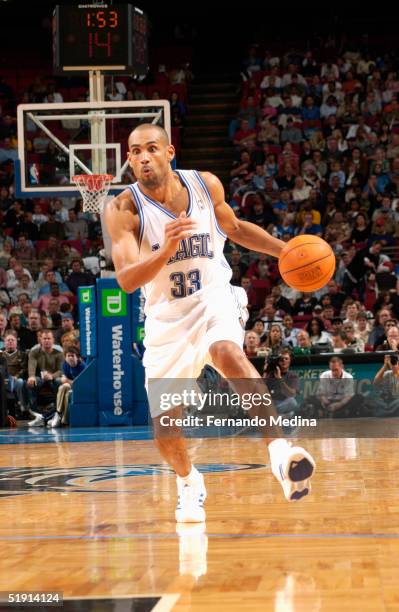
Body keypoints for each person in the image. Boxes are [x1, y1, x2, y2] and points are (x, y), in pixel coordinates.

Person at [105, 123, 315, 522]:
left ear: (169, 152)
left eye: (151, 148)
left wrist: (285, 250)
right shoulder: (122, 209)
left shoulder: (205, 185)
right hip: (166, 319)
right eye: (135, 152)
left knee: (226, 351)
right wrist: (166, 248)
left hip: (213, 298)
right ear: (129, 160)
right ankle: (188, 483)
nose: (143, 156)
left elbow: (234, 229)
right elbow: (128, 280)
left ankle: (279, 452)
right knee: (166, 430)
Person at [26, 329, 64, 426]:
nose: (46, 340)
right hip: (39, 378)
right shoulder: (34, 352)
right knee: (31, 383)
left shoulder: (59, 353)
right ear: (40, 340)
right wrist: (31, 376)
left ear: (53, 340)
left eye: (49, 338)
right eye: (44, 338)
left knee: (59, 382)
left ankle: (57, 413)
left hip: (53, 377)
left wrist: (52, 376)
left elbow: (61, 370)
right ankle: (36, 415)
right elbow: (31, 365)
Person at [49, 345, 86, 428]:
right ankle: (62, 418)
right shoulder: (65, 365)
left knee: (65, 387)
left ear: (77, 357)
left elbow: (81, 383)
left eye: (72, 356)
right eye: (68, 356)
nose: (70, 358)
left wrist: (68, 381)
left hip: (81, 389)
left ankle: (58, 414)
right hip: (69, 388)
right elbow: (64, 379)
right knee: (65, 387)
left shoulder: (82, 366)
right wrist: (68, 381)